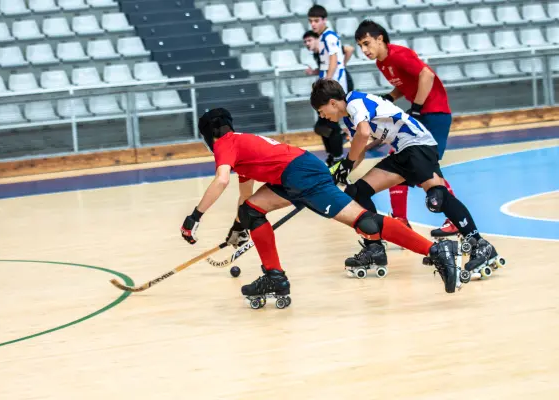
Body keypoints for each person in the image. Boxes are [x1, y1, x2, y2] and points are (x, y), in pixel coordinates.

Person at [180, 108, 463, 310]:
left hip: (302, 175)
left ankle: (437, 251)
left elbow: (221, 179)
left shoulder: (225, 145)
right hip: (293, 173)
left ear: (208, 135)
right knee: (253, 210)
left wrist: (194, 218)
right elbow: (246, 199)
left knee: (366, 223)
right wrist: (238, 228)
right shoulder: (241, 144)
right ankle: (274, 277)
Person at [309, 79, 502, 282]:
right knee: (358, 192)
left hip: (419, 146)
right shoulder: (350, 119)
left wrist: (346, 164)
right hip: (403, 152)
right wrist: (339, 173)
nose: (322, 116)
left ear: (332, 103)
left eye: (321, 111)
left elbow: (364, 135)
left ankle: (481, 245)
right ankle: (374, 248)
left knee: (437, 198)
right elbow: (361, 150)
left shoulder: (354, 102)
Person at [355, 20, 459, 237]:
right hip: (423, 114)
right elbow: (407, 82)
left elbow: (426, 75)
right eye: (361, 46)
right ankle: (401, 221)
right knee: (401, 160)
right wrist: (391, 96)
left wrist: (417, 108)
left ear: (380, 39)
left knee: (427, 168)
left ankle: (456, 219)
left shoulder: (399, 54)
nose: (364, 50)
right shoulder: (382, 63)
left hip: (435, 113)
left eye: (366, 43)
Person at [306, 5, 350, 167]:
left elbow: (334, 60)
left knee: (327, 124)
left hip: (332, 87)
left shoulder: (329, 37)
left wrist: (328, 81)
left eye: (316, 21)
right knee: (324, 125)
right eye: (311, 21)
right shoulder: (323, 37)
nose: (313, 24)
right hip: (327, 83)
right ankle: (333, 155)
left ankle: (338, 159)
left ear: (324, 20)